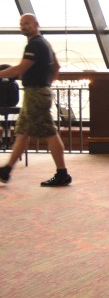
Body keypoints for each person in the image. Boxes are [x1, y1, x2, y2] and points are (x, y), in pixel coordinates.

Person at [0, 13, 71, 187]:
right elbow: (56, 66)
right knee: (22, 132)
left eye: (27, 23)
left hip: (36, 95)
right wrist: (47, 84)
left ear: (36, 24)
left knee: (49, 132)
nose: (23, 26)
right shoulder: (44, 43)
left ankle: (62, 173)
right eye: (21, 24)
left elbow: (20, 69)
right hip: (37, 92)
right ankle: (6, 170)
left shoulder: (35, 45)